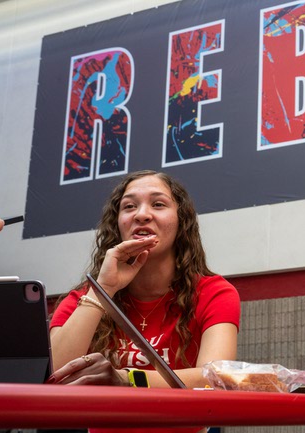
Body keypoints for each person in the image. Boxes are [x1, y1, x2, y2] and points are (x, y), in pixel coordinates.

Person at [48, 170, 240, 432]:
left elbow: (215, 378)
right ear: (117, 223)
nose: (141, 214)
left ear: (181, 220)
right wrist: (103, 289)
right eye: (129, 207)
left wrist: (128, 379)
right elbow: (53, 376)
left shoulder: (214, 292)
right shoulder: (83, 297)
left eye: (158, 204)